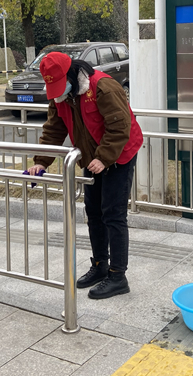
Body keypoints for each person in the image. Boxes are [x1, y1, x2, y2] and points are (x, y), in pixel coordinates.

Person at [27, 52, 143, 299]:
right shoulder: (61, 96)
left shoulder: (102, 87)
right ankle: (100, 265)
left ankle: (118, 276)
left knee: (113, 214)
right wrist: (40, 161)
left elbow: (120, 126)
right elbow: (54, 129)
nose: (58, 91)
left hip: (119, 154)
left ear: (71, 74)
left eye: (61, 84)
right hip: (91, 156)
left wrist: (104, 157)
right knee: (94, 212)